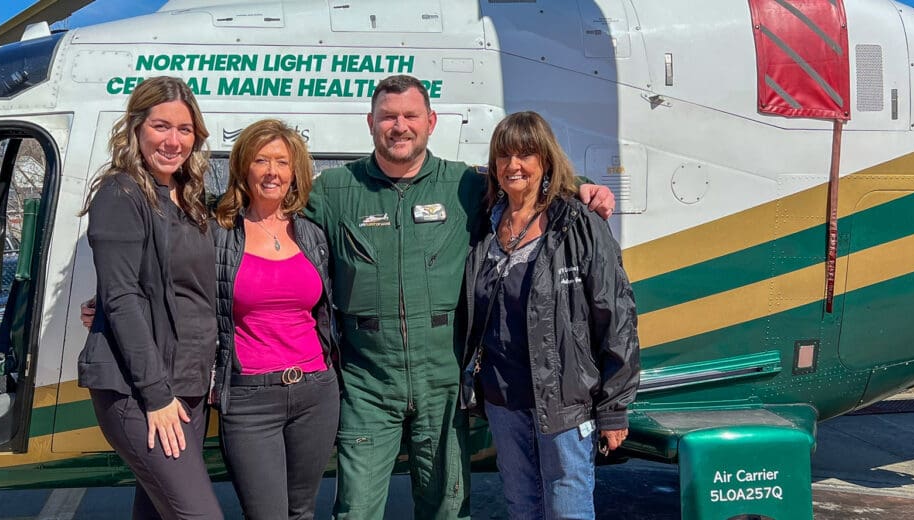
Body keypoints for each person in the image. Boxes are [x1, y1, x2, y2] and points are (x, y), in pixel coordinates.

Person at [304, 75, 616, 519]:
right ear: (370, 122)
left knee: (447, 507)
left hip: (443, 379)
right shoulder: (334, 190)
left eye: (410, 116)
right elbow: (272, 201)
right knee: (355, 508)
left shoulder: (463, 185)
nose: (399, 126)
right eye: (388, 117)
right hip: (368, 380)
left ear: (430, 122)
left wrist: (582, 186)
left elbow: (525, 179)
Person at [462, 111, 639, 519]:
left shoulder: (577, 224)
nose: (513, 166)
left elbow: (616, 317)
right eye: (504, 156)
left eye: (525, 154)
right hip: (504, 401)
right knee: (523, 508)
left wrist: (614, 408)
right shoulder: (485, 227)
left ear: (545, 161)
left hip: (564, 402)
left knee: (567, 509)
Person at [77, 76, 222, 519]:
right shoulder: (122, 192)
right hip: (140, 391)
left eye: (184, 129)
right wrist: (156, 396)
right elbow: (121, 297)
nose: (173, 140)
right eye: (161, 126)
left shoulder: (190, 198)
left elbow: (182, 286)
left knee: (159, 512)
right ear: (137, 127)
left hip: (190, 382)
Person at [210, 119, 340, 520]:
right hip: (250, 398)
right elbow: (175, 286)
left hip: (315, 391)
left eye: (282, 162)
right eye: (261, 160)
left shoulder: (312, 233)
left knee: (301, 511)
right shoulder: (218, 232)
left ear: (294, 171)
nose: (272, 172)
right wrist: (106, 306)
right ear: (243, 168)